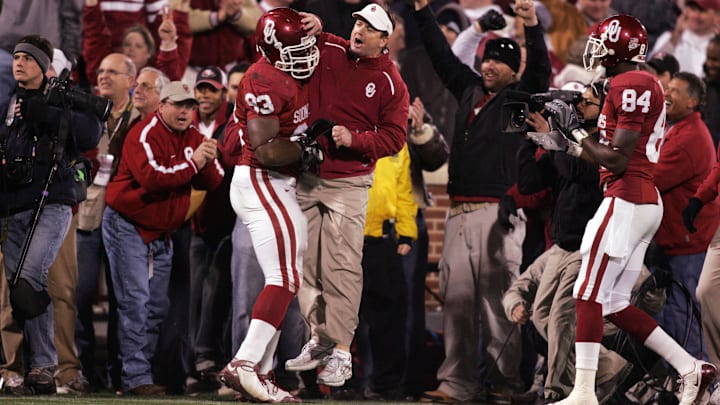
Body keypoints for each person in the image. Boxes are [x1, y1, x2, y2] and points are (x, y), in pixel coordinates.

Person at [543, 14, 718, 405]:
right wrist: (567, 139)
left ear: (619, 47)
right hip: (637, 197)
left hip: (627, 196)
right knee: (613, 302)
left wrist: (575, 131)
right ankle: (692, 368)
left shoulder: (632, 83)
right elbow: (609, 152)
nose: (597, 50)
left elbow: (619, 159)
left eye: (604, 43)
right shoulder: (630, 83)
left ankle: (584, 392)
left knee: (586, 292)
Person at [409, 0, 551, 401]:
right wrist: (421, 12)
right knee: (455, 300)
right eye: (486, 60)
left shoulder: (516, 104)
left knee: (497, 304)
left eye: (498, 62)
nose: (488, 66)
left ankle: (505, 385)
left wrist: (531, 26)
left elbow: (540, 71)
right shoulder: (470, 91)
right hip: (458, 211)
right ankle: (457, 383)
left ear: (512, 70)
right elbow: (441, 57)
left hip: (497, 214)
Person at [284, 2, 409, 390]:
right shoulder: (335, 49)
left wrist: (354, 139)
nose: (359, 31)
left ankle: (341, 349)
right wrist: (318, 27)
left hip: (350, 182)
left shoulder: (391, 81)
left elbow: (394, 137)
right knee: (304, 265)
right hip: (309, 174)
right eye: (357, 22)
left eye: (369, 28)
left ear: (384, 40)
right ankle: (320, 339)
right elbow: (318, 38)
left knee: (342, 267)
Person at [216, 7, 322, 403]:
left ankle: (261, 371)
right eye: (293, 49)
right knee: (284, 279)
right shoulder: (262, 78)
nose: (303, 56)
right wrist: (307, 148)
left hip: (275, 183)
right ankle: (245, 364)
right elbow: (265, 148)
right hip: (262, 179)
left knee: (285, 278)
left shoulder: (291, 69)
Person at [102, 81, 223, 395]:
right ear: (162, 105)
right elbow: (154, 179)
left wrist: (207, 159)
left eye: (189, 106)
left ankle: (143, 374)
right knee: (135, 303)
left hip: (162, 232)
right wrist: (196, 161)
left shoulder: (195, 137)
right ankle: (134, 378)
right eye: (177, 104)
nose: (184, 111)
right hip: (128, 225)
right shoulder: (144, 133)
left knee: (156, 305)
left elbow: (215, 181)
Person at [0, 34, 102, 395]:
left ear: (44, 66)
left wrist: (50, 114)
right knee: (23, 291)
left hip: (51, 203)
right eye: (16, 57)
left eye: (28, 58)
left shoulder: (62, 96)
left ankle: (45, 365)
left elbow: (92, 131)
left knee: (30, 281)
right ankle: (40, 370)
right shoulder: (10, 101)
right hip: (12, 207)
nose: (19, 63)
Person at [650, 72, 719, 363]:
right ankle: (684, 380)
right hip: (678, 237)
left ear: (693, 101)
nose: (667, 94)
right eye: (667, 88)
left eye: (675, 91)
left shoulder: (689, 136)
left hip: (689, 242)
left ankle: (700, 377)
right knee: (675, 312)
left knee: (686, 314)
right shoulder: (678, 129)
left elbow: (653, 178)